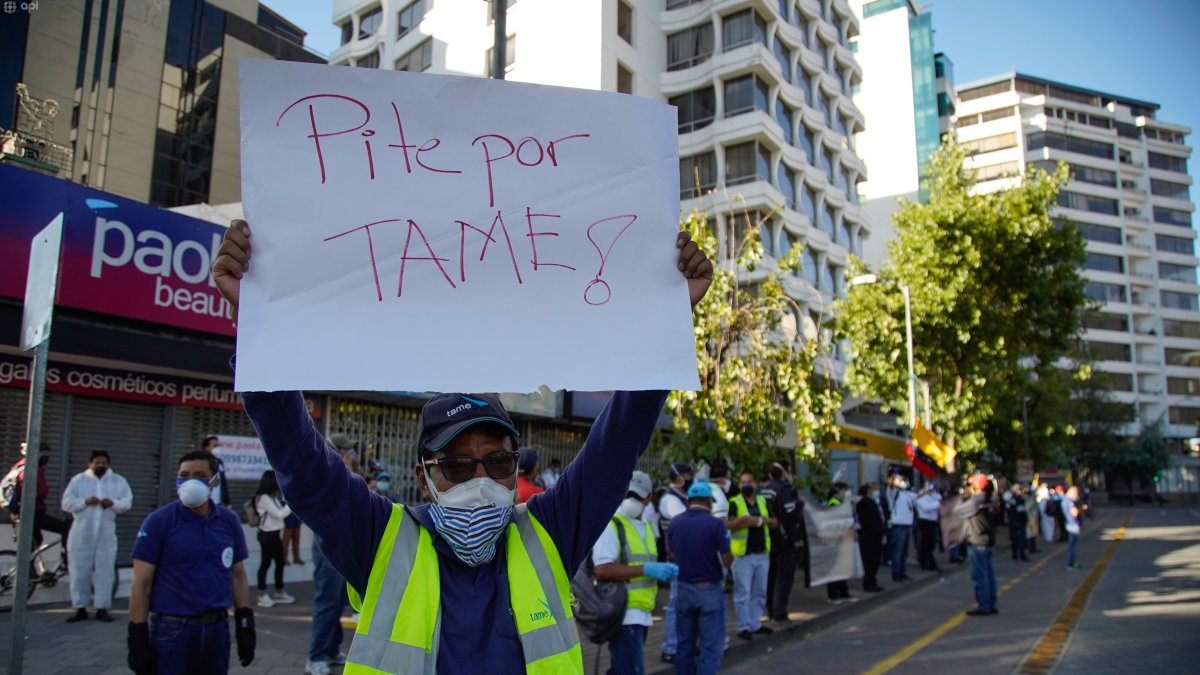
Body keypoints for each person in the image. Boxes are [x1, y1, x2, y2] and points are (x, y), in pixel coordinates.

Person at [211, 219, 713, 674]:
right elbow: (303, 465)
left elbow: (616, 447)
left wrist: (667, 321)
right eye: (456, 464)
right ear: (426, 476)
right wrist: (258, 325)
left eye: (496, 462)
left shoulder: (549, 533)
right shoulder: (379, 539)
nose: (479, 480)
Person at [128, 450, 255, 674]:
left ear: (214, 481)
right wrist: (137, 633)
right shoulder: (160, 521)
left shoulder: (228, 521)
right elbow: (141, 583)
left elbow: (237, 575)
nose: (189, 481)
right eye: (184, 475)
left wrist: (245, 621)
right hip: (172, 630)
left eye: (198, 475)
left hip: (217, 629)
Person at [592, 471, 679, 675]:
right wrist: (647, 570)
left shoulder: (647, 527)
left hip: (643, 612)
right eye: (628, 494)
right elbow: (602, 569)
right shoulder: (612, 524)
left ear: (649, 498)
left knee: (622, 668)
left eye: (638, 496)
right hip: (624, 613)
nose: (632, 500)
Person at [667, 482, 732, 675]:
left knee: (685, 646)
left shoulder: (675, 523)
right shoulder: (715, 524)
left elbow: (671, 555)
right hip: (709, 589)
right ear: (707, 501)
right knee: (710, 648)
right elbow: (727, 560)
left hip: (683, 588)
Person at [61, 450, 133, 623]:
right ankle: (80, 607)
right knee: (79, 569)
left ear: (108, 464)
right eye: (97, 463)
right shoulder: (79, 480)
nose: (100, 466)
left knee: (105, 569)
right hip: (81, 531)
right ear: (90, 463)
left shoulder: (118, 480)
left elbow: (127, 502)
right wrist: (84, 502)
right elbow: (66, 503)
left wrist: (112, 503)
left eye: (104, 463)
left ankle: (102, 607)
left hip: (105, 531)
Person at [727, 470, 777, 640]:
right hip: (743, 555)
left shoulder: (762, 500)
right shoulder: (734, 502)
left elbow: (774, 522)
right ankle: (743, 626)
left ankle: (755, 622)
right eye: (743, 482)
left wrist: (760, 520)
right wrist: (748, 521)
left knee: (760, 591)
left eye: (749, 481)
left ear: (755, 484)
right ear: (739, 485)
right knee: (743, 592)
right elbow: (730, 524)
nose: (746, 485)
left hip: (762, 554)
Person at [658, 461, 693, 663]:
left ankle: (682, 645)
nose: (690, 478)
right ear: (679, 477)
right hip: (678, 558)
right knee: (675, 604)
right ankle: (670, 648)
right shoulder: (670, 500)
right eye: (688, 475)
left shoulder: (682, 497)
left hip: (687, 557)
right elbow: (687, 522)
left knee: (685, 605)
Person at [7, 442, 71, 548]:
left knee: (36, 540)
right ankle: (67, 562)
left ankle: (27, 564)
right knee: (66, 529)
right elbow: (42, 492)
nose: (45, 456)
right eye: (43, 453)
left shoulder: (20, 466)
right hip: (31, 513)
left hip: (21, 512)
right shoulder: (31, 469)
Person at [764, 460, 801, 624]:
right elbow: (791, 510)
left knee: (771, 575)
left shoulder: (765, 489)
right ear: (784, 473)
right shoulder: (784, 489)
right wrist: (800, 504)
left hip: (770, 538)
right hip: (785, 538)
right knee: (784, 576)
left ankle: (771, 611)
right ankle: (780, 613)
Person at [954, 473, 997, 616]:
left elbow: (958, 512)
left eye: (971, 484)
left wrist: (963, 498)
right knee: (989, 574)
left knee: (980, 575)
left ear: (977, 486)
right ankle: (991, 604)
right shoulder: (989, 498)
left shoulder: (976, 501)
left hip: (977, 540)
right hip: (987, 540)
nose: (969, 487)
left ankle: (984, 605)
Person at [253, 470, 296, 608]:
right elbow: (279, 514)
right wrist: (291, 503)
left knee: (280, 562)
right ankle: (261, 594)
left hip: (274, 534)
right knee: (265, 564)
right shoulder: (264, 498)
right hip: (267, 534)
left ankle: (279, 591)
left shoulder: (272, 497)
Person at [823, 481, 855, 605]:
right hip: (835, 540)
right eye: (845, 490)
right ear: (839, 490)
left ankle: (843, 593)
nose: (847, 493)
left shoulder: (842, 503)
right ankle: (833, 595)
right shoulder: (834, 503)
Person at [855, 482, 886, 593]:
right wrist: (881, 532)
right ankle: (869, 583)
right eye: (872, 490)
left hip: (873, 535)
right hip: (870, 536)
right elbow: (872, 521)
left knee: (874, 560)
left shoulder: (871, 502)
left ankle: (872, 582)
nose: (874, 491)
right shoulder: (865, 503)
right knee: (871, 560)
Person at [886, 476, 917, 582]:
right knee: (897, 551)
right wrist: (894, 481)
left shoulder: (907, 494)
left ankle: (902, 572)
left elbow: (917, 497)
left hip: (907, 525)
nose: (904, 483)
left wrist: (928, 490)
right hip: (898, 526)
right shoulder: (894, 493)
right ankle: (896, 573)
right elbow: (890, 487)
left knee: (904, 552)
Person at [915, 484, 942, 572]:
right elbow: (927, 508)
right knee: (926, 544)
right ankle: (928, 563)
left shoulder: (932, 496)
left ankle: (926, 562)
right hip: (925, 522)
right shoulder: (920, 497)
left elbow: (939, 498)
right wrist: (937, 504)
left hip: (932, 522)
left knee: (930, 544)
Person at [200, 436, 232, 508]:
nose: (217, 448)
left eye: (218, 446)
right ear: (206, 447)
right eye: (214, 446)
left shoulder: (219, 462)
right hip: (205, 502)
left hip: (219, 503)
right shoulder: (201, 462)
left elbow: (223, 483)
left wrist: (227, 501)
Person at [1006, 484, 1029, 562]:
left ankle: (1014, 554)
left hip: (1012, 521)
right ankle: (1022, 555)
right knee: (1021, 539)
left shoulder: (1010, 499)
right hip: (1019, 521)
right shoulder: (1019, 499)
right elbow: (1021, 511)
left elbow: (1008, 511)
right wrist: (1025, 519)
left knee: (1014, 539)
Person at [1063, 485, 1082, 571]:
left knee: (1072, 545)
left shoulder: (1065, 500)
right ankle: (1071, 563)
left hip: (1069, 524)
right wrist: (1081, 509)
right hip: (1073, 525)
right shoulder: (1069, 501)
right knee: (1073, 546)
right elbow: (1075, 513)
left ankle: (1072, 562)